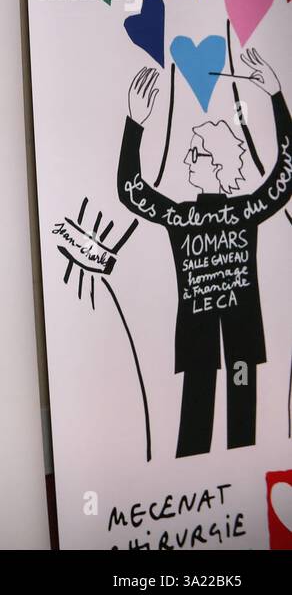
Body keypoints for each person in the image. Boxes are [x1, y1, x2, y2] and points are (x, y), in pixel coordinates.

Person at [118, 51, 291, 456]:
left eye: (197, 153)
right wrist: (134, 123)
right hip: (202, 336)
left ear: (217, 165)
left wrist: (276, 95)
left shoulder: (213, 214)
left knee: (239, 427)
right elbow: (131, 191)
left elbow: (286, 173)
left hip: (238, 334)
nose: (188, 159)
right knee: (196, 425)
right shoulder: (193, 216)